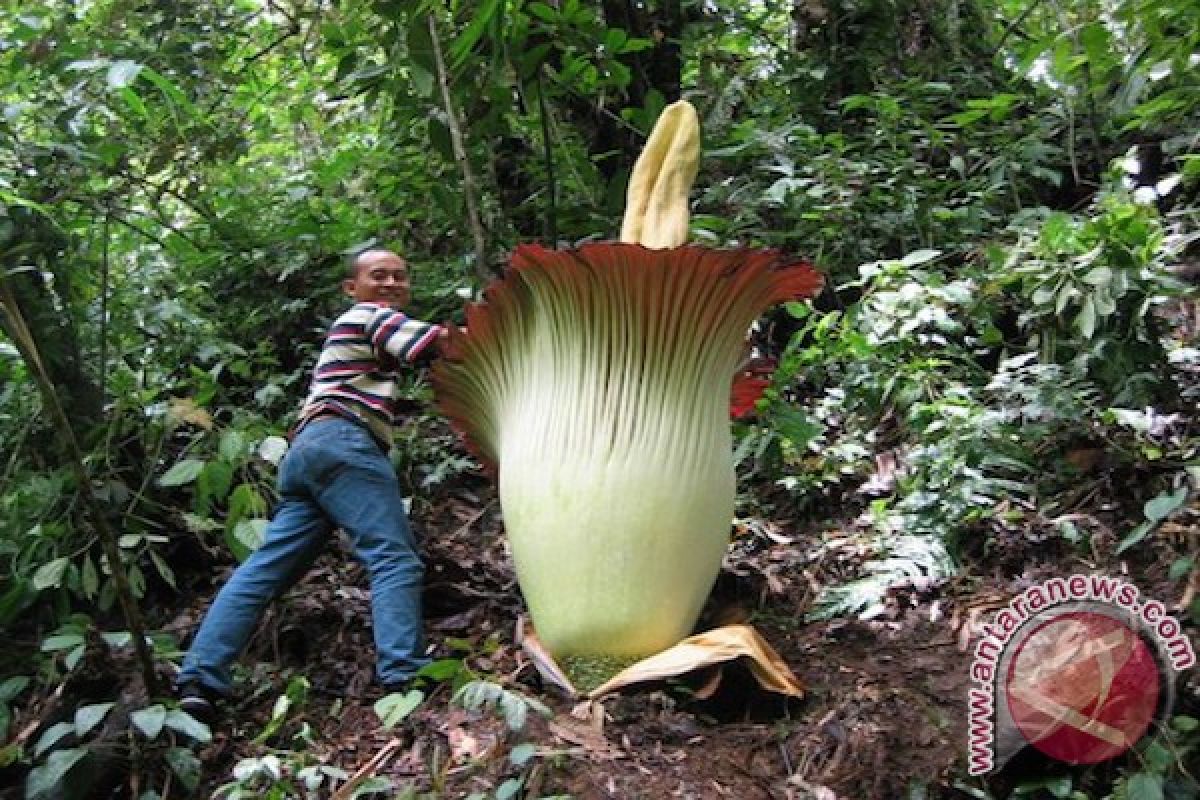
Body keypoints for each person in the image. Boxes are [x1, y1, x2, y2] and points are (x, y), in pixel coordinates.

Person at [177, 248, 445, 721]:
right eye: (377, 275)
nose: (391, 284)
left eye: (400, 277)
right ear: (352, 288)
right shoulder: (369, 315)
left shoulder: (360, 329)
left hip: (307, 452)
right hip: (345, 442)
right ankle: (404, 674)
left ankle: (200, 678)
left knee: (266, 569)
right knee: (394, 558)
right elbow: (433, 346)